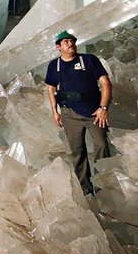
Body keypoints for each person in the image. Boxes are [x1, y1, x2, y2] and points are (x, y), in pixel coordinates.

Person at [45, 30, 112, 196]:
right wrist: (55, 111)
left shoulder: (88, 60)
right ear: (58, 47)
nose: (70, 44)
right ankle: (85, 188)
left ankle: (104, 187)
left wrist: (103, 108)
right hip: (69, 114)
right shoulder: (54, 66)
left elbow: (105, 83)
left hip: (94, 113)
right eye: (66, 42)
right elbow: (51, 88)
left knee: (102, 145)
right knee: (77, 151)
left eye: (72, 41)